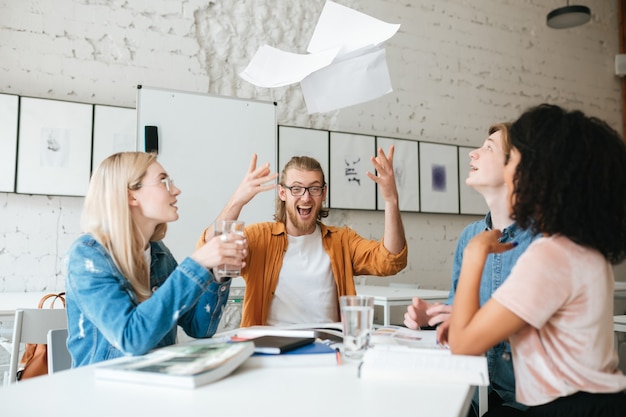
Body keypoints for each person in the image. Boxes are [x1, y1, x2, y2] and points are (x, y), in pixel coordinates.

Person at [446, 104, 626, 416]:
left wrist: (475, 254)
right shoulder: (580, 248)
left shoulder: (552, 254)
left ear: (540, 174)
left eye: (514, 158)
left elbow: (463, 345)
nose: (509, 168)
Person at [403, 123, 538, 416]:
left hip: (524, 400)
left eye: (488, 147)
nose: (472, 154)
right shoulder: (470, 236)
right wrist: (431, 317)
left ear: (516, 168)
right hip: (472, 393)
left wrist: (471, 320)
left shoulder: (541, 242)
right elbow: (457, 311)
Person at [65, 152, 246, 366]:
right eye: (163, 182)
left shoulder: (158, 253)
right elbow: (130, 338)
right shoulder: (88, 255)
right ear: (131, 196)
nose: (176, 191)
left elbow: (200, 327)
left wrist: (218, 273)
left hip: (157, 381)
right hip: (106, 390)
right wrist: (197, 264)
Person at [196, 147, 408, 327]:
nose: (306, 197)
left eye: (314, 188)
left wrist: (391, 201)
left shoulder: (341, 240)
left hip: (327, 348)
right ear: (282, 193)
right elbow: (208, 253)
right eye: (296, 188)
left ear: (323, 193)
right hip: (272, 352)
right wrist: (237, 201)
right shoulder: (260, 237)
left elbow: (391, 260)